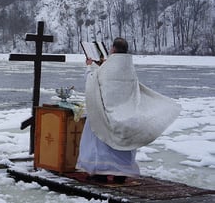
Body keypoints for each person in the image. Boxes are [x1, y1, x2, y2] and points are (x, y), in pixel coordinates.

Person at [76, 37, 181, 184]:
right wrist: (102, 66)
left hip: (107, 114)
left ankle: (100, 172)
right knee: (123, 147)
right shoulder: (128, 67)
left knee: (98, 139)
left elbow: (93, 82)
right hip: (128, 114)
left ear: (112, 49)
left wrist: (89, 67)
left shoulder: (107, 67)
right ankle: (121, 173)